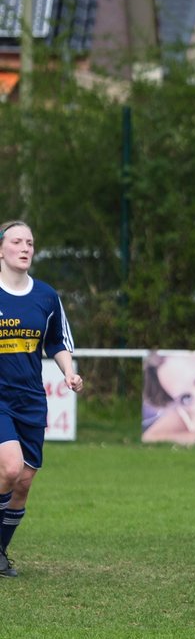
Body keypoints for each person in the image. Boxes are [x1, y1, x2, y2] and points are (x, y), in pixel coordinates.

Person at [0, 220, 84, 579]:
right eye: (17, 241)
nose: (25, 248)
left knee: (24, 482)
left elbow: (57, 342)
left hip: (31, 398)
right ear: (1, 249)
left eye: (30, 243)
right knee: (10, 467)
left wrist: (68, 371)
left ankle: (0, 551)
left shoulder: (46, 296)